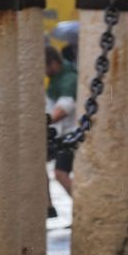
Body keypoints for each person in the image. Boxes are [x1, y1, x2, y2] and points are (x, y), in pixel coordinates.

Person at [46, 46, 77, 199]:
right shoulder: (57, 79)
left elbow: (65, 107)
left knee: (60, 173)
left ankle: (82, 208)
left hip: (71, 133)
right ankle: (48, 207)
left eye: (45, 68)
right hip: (60, 133)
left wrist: (46, 121)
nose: (44, 73)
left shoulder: (68, 79)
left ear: (52, 63)